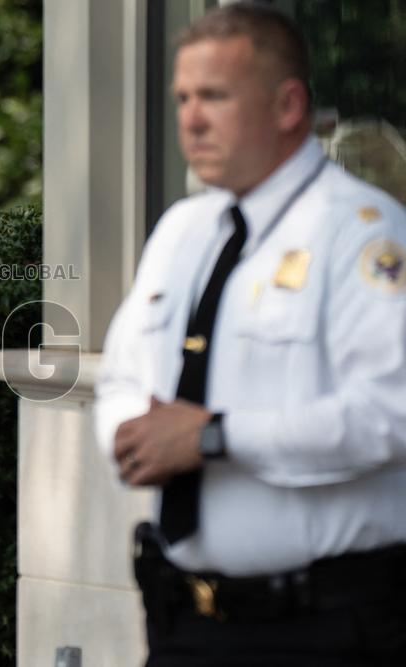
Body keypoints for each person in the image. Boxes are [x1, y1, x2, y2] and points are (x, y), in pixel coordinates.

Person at [94, 4, 406, 665]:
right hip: (185, 622)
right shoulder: (183, 230)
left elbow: (391, 414)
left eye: (214, 96)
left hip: (324, 629)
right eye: (182, 97)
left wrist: (212, 436)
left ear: (288, 105)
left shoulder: (362, 232)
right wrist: (131, 432)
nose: (190, 118)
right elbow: (123, 376)